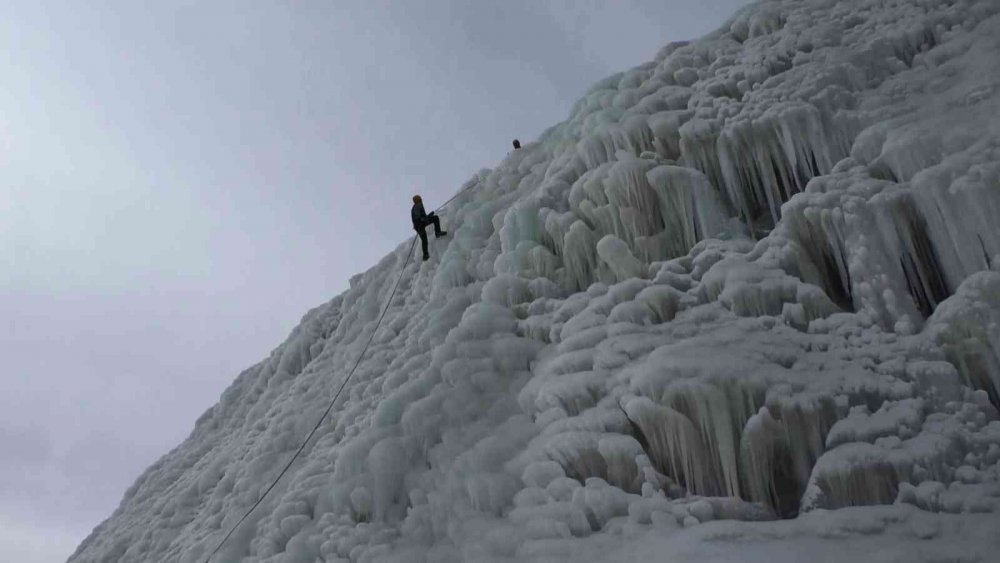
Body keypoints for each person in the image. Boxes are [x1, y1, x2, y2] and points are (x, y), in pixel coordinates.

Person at [411, 195, 447, 261]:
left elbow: (421, 217)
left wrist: (429, 216)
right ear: (417, 200)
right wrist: (427, 218)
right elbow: (419, 217)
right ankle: (438, 232)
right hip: (420, 224)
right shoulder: (417, 205)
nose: (420, 199)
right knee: (435, 218)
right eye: (419, 198)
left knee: (424, 240)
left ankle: (425, 255)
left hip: (419, 225)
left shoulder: (416, 206)